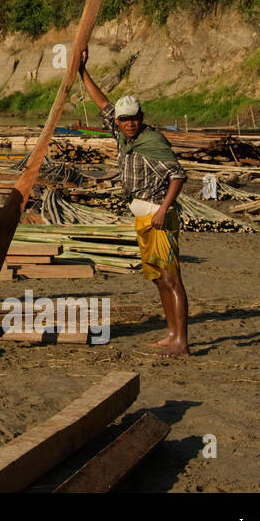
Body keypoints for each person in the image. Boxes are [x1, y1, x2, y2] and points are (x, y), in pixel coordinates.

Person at [77, 50, 190, 356]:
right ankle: (171, 332)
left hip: (159, 216)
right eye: (123, 119)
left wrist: (164, 210)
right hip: (142, 216)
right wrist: (82, 71)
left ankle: (182, 341)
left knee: (171, 278)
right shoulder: (123, 136)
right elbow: (102, 103)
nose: (128, 123)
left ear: (141, 118)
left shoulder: (153, 143)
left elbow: (178, 176)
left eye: (133, 118)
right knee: (157, 279)